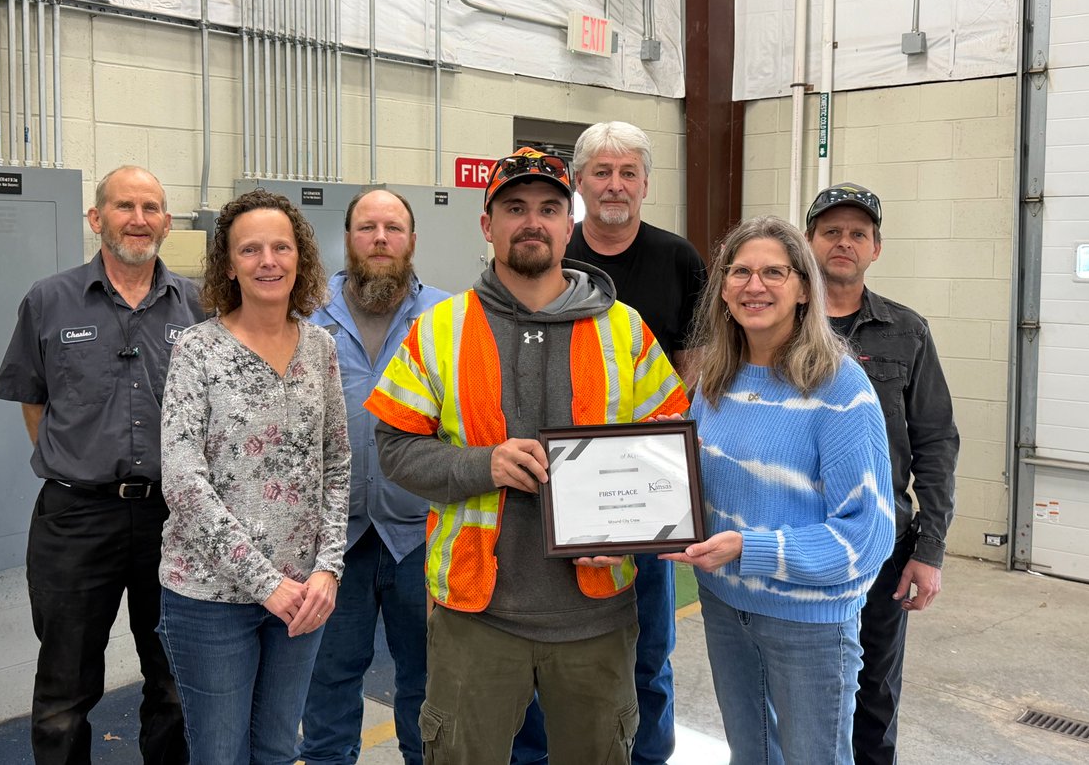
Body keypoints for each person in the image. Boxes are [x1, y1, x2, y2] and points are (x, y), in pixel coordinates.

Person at [365, 149, 689, 765]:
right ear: (487, 225)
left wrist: (630, 531)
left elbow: (670, 455)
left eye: (548, 208)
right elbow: (396, 449)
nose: (532, 222)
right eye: (514, 208)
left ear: (570, 225)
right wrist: (480, 465)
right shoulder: (439, 329)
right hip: (476, 617)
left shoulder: (625, 330)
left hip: (596, 619)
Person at [661, 215, 895, 765]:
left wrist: (752, 549)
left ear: (804, 288)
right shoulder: (716, 379)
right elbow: (699, 489)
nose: (755, 286)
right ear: (723, 289)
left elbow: (867, 536)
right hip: (726, 607)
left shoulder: (839, 385)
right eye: (740, 272)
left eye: (773, 272)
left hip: (807, 623)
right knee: (751, 755)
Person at [0, 165, 202, 765]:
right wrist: (77, 460)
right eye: (124, 206)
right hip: (76, 518)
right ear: (96, 217)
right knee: (65, 690)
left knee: (175, 682)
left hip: (174, 517)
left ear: (166, 222)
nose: (139, 219)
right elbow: (34, 400)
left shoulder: (198, 304)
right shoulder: (49, 300)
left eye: (151, 208)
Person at [515, 121, 708, 765]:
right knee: (547, 650)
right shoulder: (550, 252)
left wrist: (654, 461)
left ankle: (648, 756)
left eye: (628, 173)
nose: (615, 185)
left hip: (645, 489)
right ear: (579, 183)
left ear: (646, 184)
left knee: (648, 649)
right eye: (601, 172)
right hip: (557, 488)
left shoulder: (679, 260)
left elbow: (694, 370)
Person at [156, 189, 350, 764]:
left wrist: (328, 568)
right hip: (211, 597)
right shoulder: (197, 349)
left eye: (281, 247)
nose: (268, 261)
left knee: (276, 750)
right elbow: (183, 482)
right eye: (250, 250)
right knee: (221, 755)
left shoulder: (320, 347)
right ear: (229, 265)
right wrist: (266, 583)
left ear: (300, 257)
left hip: (303, 597)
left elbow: (337, 463)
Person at [804, 183, 960, 765]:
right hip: (796, 542)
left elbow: (936, 442)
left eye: (858, 234)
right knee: (793, 693)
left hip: (881, 547)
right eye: (831, 232)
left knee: (873, 696)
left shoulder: (906, 332)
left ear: (876, 248)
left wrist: (930, 549)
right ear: (809, 242)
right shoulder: (776, 325)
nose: (843, 243)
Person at [298, 189, 449, 765]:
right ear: (347, 238)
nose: (380, 238)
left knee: (428, 680)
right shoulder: (306, 313)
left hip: (422, 534)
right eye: (367, 228)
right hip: (333, 541)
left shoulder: (447, 317)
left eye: (393, 228)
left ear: (412, 240)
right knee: (329, 679)